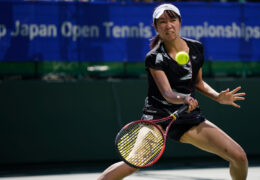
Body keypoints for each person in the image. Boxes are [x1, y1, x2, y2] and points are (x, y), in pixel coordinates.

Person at [97, 3, 248, 180]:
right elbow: (167, 93)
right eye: (162, 21)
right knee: (133, 163)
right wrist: (184, 98)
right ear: (155, 27)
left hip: (187, 118)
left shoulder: (196, 48)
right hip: (157, 118)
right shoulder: (154, 57)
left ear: (180, 22)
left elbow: (198, 82)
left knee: (239, 157)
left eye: (172, 20)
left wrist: (217, 96)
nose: (168, 25)